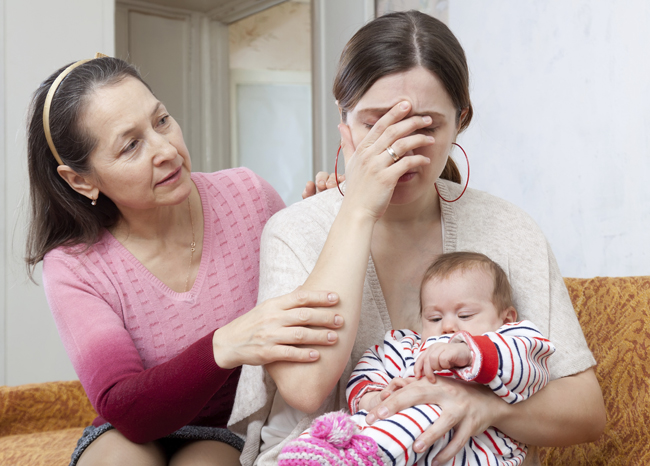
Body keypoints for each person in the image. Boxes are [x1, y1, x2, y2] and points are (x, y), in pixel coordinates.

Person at [228, 10, 605, 466]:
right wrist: (359, 209)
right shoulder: (294, 230)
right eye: (375, 124)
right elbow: (307, 389)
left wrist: (486, 406)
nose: (400, 148)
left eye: (424, 127)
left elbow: (586, 410)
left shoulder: (508, 228)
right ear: (342, 119)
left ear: (460, 120)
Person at [25, 55, 345, 466]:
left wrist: (320, 224)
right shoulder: (74, 264)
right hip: (133, 429)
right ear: (80, 180)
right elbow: (126, 408)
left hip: (228, 428)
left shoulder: (248, 195)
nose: (165, 149)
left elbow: (309, 315)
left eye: (161, 121)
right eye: (131, 145)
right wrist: (227, 343)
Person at [279, 251, 555, 466]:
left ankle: (359, 454)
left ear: (505, 317)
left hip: (477, 452)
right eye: (434, 317)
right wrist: (375, 398)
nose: (448, 326)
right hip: (402, 449)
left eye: (465, 315)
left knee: (432, 402)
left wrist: (469, 351)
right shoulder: (406, 347)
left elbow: (530, 369)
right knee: (371, 417)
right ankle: (320, 449)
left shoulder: (511, 340)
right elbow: (369, 369)